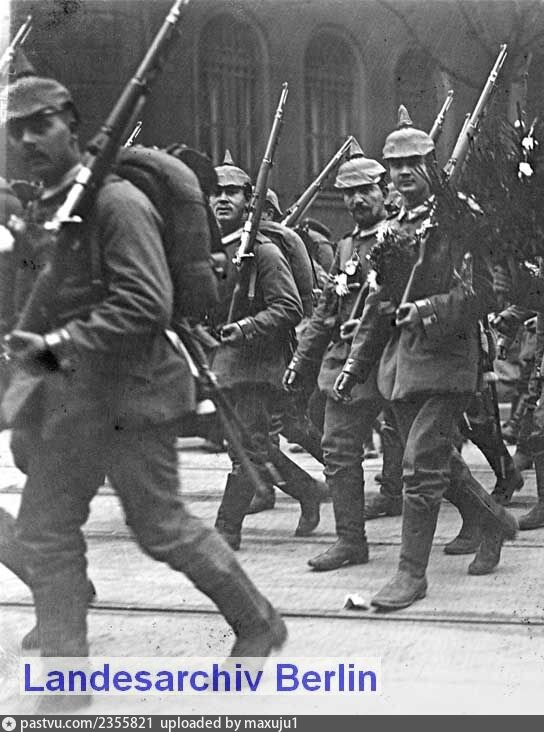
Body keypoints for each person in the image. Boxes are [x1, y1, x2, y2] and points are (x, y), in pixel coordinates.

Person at [1, 77, 285, 706]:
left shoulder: (115, 201)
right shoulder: (47, 208)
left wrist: (53, 346)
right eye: (17, 130)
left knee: (161, 527)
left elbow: (145, 304)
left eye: (42, 124)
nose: (29, 140)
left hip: (132, 396)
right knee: (46, 530)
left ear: (71, 124)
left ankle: (258, 621)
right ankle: (67, 684)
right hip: (71, 401)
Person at [340, 108, 518, 610]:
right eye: (394, 165)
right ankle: (495, 523)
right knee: (440, 463)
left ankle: (410, 575)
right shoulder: (393, 228)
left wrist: (426, 310)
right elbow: (379, 304)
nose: (403, 173)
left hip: (448, 361)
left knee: (419, 466)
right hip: (401, 366)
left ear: (432, 164)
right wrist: (355, 365)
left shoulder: (459, 220)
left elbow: (485, 292)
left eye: (412, 163)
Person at [284, 141, 392, 571]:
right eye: (349, 193)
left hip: (395, 360)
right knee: (339, 449)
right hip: (350, 367)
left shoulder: (401, 236)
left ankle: (487, 519)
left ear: (385, 190)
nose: (357, 200)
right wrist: (301, 362)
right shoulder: (347, 247)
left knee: (428, 457)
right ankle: (351, 541)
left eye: (366, 190)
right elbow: (326, 311)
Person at [207, 159, 317, 547]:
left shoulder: (263, 252)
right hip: (222, 364)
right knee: (253, 445)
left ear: (248, 201)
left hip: (258, 365)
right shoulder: (212, 251)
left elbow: (289, 307)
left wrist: (245, 328)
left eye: (231, 193)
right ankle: (307, 490)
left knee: (248, 450)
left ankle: (226, 530)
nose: (222, 199)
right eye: (216, 193)